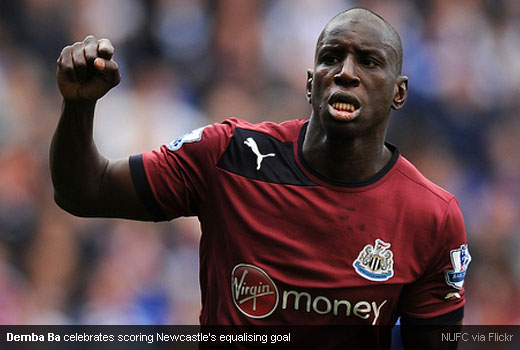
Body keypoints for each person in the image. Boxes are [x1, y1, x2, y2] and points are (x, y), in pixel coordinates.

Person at [51, 7, 470, 349]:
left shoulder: (431, 217)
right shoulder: (228, 154)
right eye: (330, 57)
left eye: (369, 61)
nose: (345, 72)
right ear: (310, 85)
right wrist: (78, 107)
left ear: (399, 92)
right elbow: (85, 192)